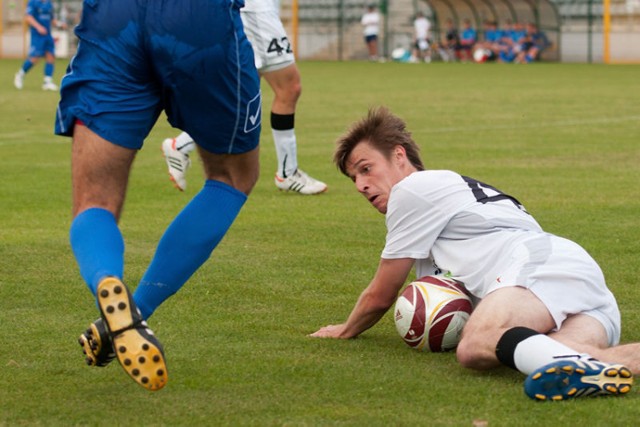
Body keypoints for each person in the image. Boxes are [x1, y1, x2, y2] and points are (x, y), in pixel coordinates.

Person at [311, 107, 638, 401]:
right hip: (568, 279)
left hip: (536, 265)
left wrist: (346, 329)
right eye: (354, 178)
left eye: (366, 169)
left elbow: (382, 295)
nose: (360, 185)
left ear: (399, 156)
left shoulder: (413, 190)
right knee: (563, 355)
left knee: (474, 346)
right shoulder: (450, 198)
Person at [55, 0, 262, 391]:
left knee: (94, 202)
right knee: (232, 176)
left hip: (114, 19)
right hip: (198, 18)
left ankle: (108, 284)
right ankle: (136, 310)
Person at [162, 0, 327, 195]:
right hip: (257, 10)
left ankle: (180, 144)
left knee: (243, 97)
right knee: (289, 87)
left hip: (254, 10)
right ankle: (288, 172)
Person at [13, 0, 66, 91]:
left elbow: (52, 19)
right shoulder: (33, 2)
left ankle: (47, 82)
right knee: (35, 58)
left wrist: (59, 24)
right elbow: (28, 17)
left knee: (51, 56)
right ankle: (20, 75)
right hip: (37, 35)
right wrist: (38, 27)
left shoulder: (49, 3)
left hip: (47, 34)